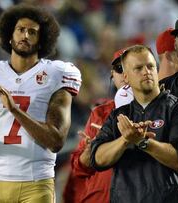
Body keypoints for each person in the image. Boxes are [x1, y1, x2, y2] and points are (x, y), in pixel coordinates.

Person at [0, 4, 81, 203]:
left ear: (41, 41)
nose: (25, 36)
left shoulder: (57, 73)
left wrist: (14, 110)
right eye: (20, 30)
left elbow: (56, 141)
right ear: (9, 36)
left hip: (36, 182)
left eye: (32, 32)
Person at [90, 45, 178, 202]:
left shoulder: (177, 108)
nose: (146, 71)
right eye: (138, 68)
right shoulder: (119, 115)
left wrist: (142, 142)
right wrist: (125, 140)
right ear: (125, 77)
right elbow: (98, 159)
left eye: (150, 66)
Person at [63, 48, 132, 203]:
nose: (126, 75)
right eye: (120, 69)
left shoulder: (167, 109)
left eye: (135, 67)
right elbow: (78, 168)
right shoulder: (100, 113)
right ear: (112, 76)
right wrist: (86, 156)